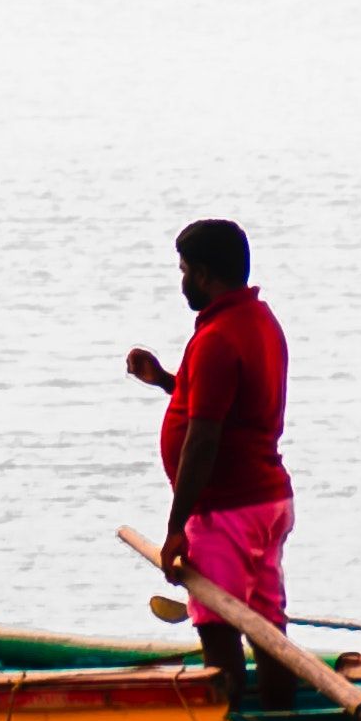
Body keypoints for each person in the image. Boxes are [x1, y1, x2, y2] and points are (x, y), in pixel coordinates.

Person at [121, 216, 291, 672]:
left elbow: (203, 441)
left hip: (226, 512)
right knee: (266, 627)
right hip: (265, 501)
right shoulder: (258, 321)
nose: (181, 283)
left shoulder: (216, 338)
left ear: (204, 274)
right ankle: (279, 716)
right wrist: (165, 382)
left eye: (183, 271)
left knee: (218, 629)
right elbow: (229, 407)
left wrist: (177, 527)